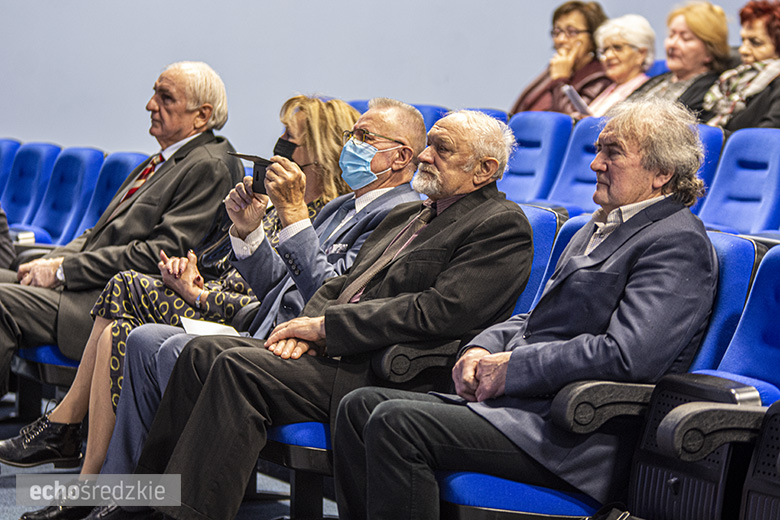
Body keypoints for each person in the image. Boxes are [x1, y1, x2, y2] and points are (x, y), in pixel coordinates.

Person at [125, 109, 534, 520]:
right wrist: (302, 328)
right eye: (428, 145)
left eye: (441, 149)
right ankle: (143, 506)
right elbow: (343, 286)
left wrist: (325, 328)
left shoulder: (501, 225)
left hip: (393, 366)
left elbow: (437, 311)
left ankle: (182, 515)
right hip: (343, 352)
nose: (426, 156)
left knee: (238, 367)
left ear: (485, 169)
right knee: (201, 354)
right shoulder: (410, 215)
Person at [332, 98, 719, 520]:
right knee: (358, 407)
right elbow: (533, 320)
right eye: (598, 150)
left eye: (613, 153)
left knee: (395, 422)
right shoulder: (600, 225)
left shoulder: (676, 242)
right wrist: (480, 349)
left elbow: (627, 356)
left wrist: (514, 368)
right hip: (523, 411)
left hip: (573, 434)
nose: (595, 164)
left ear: (662, 173)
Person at [1, 96, 367, 520]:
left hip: (242, 321)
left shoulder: (309, 212)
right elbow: (251, 274)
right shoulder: (293, 207)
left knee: (126, 286)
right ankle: (100, 488)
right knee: (123, 333)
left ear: (319, 150)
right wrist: (212, 261)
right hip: (221, 303)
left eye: (289, 140)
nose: (277, 148)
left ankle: (71, 443)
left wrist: (203, 296)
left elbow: (302, 298)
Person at [0, 61, 244, 396]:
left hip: (107, 302)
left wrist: (62, 271)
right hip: (84, 285)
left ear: (202, 115)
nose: (150, 105)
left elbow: (157, 256)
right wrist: (50, 263)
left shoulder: (210, 165)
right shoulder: (161, 160)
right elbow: (97, 234)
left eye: (165, 97)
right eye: (154, 94)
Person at [630, 2, 730, 118]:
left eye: (685, 38)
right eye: (671, 35)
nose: (672, 44)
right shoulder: (660, 79)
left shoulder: (710, 93)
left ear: (710, 52)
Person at [510, 1, 611, 115]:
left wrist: (560, 80)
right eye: (557, 32)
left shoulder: (599, 77)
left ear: (593, 37)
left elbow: (573, 120)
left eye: (572, 32)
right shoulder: (554, 68)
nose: (561, 39)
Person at [702, 0, 780, 132]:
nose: (743, 50)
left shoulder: (776, 86)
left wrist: (716, 137)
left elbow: (765, 138)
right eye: (743, 40)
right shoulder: (733, 78)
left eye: (755, 43)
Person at [585, 14, 655, 117]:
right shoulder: (611, 88)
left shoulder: (646, 93)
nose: (608, 56)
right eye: (605, 50)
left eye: (617, 48)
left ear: (641, 54)